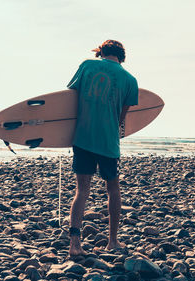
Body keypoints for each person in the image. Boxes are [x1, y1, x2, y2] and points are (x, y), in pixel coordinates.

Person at [66, 40, 138, 256]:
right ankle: (112, 241)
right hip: (108, 143)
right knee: (113, 190)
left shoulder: (87, 65)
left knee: (82, 191)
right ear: (121, 57)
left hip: (83, 138)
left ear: (101, 52)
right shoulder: (130, 80)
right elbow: (121, 119)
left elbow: (69, 100)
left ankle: (74, 245)